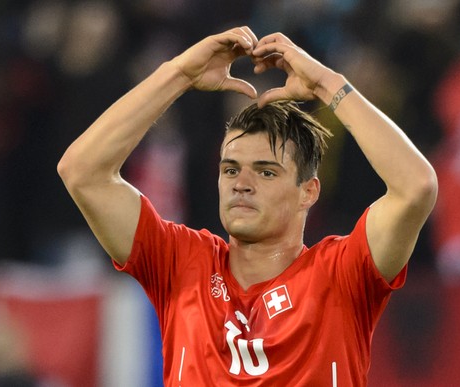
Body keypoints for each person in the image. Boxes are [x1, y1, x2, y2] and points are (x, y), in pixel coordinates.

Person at [57, 26, 438, 386]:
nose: (241, 184)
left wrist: (327, 83)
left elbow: (416, 187)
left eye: (266, 172)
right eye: (230, 169)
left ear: (308, 191)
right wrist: (178, 74)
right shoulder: (180, 263)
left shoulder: (342, 275)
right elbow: (82, 172)